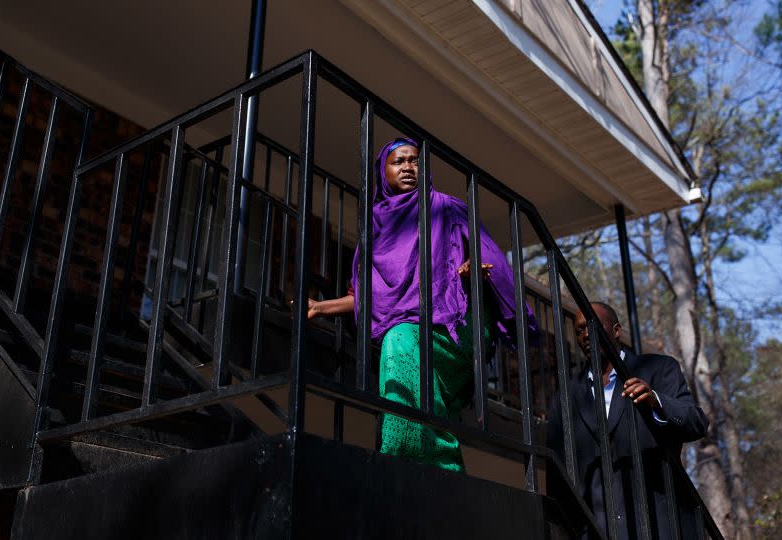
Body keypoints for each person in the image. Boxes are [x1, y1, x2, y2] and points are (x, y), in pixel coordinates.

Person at [303, 137, 534, 473]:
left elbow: (493, 262)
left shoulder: (446, 208)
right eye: (399, 161)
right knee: (402, 344)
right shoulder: (374, 227)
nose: (409, 167)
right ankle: (441, 467)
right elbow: (364, 298)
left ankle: (397, 455)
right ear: (384, 172)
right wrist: (319, 308)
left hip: (453, 326)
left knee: (400, 340)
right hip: (408, 328)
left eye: (415, 161)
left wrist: (471, 271)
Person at [546, 302, 708, 539]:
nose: (585, 334)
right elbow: (556, 466)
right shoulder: (566, 395)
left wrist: (656, 401)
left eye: (593, 326)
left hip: (660, 523)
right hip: (598, 528)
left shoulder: (658, 369)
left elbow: (696, 422)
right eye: (579, 330)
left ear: (616, 330)